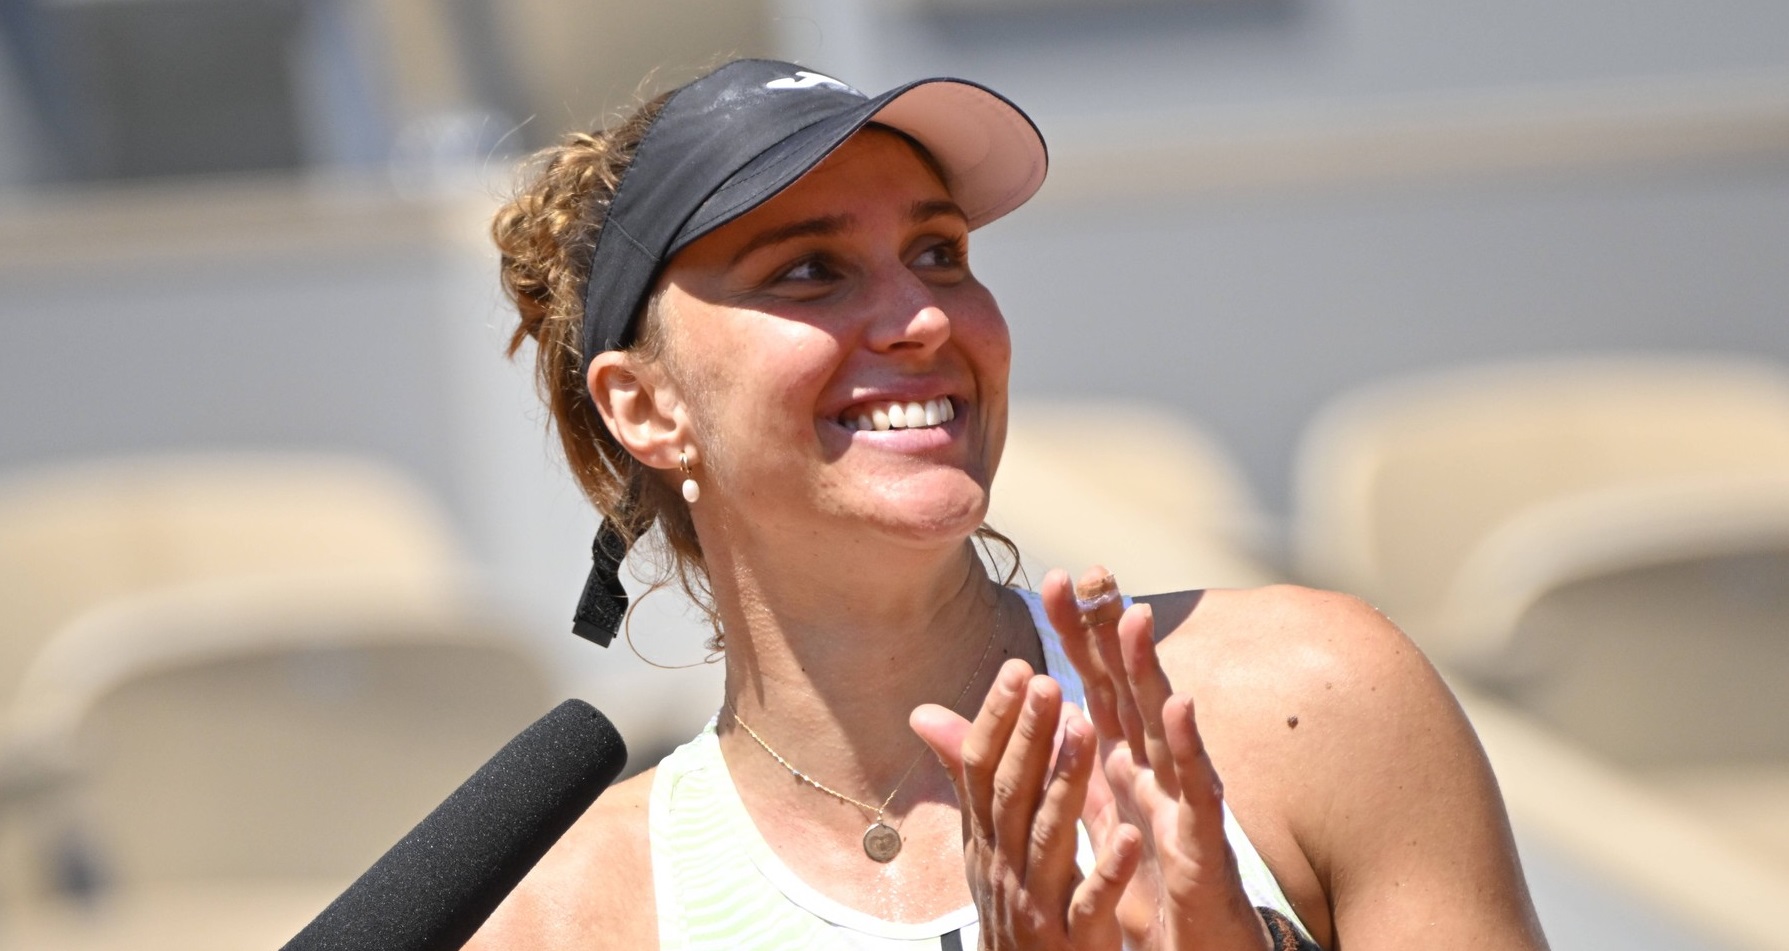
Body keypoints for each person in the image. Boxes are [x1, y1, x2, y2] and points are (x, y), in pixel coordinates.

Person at [469, 59, 1548, 950]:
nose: (923, 319)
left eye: (939, 253)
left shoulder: (1311, 701)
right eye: (808, 270)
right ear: (646, 407)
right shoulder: (568, 912)